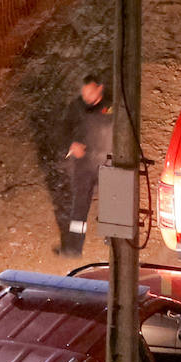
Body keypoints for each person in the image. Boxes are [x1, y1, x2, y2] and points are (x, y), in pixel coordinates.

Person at [58, 74, 113, 257]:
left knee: (111, 202)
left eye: (90, 92)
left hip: (108, 163)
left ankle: (114, 241)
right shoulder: (76, 107)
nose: (86, 97)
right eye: (84, 93)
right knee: (79, 205)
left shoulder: (112, 106)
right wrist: (71, 145)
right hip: (84, 165)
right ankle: (74, 248)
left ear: (100, 88)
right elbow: (63, 129)